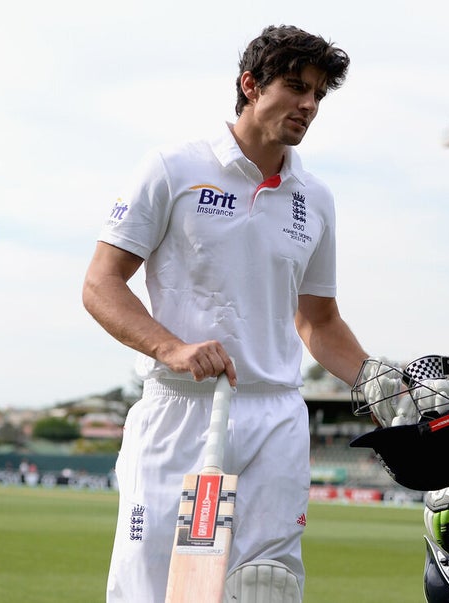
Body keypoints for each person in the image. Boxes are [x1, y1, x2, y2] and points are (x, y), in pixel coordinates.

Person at [82, 25, 377, 602]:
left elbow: (318, 320)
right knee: (153, 589)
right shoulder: (172, 167)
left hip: (276, 419)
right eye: (296, 87)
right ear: (250, 85)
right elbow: (100, 283)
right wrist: (172, 347)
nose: (309, 105)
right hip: (184, 411)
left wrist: (378, 381)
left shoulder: (314, 198)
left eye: (318, 93)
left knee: (265, 589)